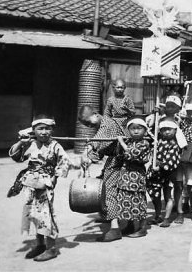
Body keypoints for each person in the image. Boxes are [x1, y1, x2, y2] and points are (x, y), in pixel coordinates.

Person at [9, 115, 70, 261]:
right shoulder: (30, 144)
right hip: (30, 184)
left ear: (52, 130)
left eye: (47, 129)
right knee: (34, 215)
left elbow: (64, 163)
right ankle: (40, 244)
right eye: (40, 129)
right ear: (33, 130)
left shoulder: (55, 146)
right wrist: (21, 142)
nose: (43, 132)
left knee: (46, 216)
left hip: (45, 185)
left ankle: (51, 248)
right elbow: (16, 157)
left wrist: (55, 178)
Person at [95, 118, 152, 241]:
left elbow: (132, 153)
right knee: (126, 201)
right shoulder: (130, 141)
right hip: (126, 177)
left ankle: (142, 227)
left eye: (139, 128)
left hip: (136, 177)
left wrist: (121, 142)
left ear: (145, 131)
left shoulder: (144, 143)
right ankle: (130, 225)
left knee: (138, 201)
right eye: (133, 129)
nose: (136, 131)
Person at [78, 105, 121, 221]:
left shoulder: (107, 123)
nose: (89, 126)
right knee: (99, 186)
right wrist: (89, 160)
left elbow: (98, 140)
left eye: (88, 122)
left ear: (96, 114)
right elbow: (101, 149)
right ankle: (107, 214)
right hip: (113, 161)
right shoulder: (100, 126)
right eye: (86, 125)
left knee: (108, 189)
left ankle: (114, 226)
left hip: (121, 161)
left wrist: (85, 152)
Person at [146, 117, 186, 227]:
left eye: (169, 129)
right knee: (156, 196)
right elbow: (149, 132)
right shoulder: (158, 141)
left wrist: (160, 166)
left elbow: (171, 162)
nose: (166, 132)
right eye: (164, 129)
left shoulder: (175, 145)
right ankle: (157, 215)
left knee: (168, 196)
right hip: (156, 174)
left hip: (168, 174)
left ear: (175, 130)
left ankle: (167, 218)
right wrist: (155, 116)